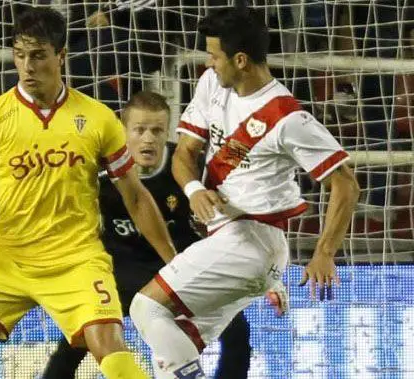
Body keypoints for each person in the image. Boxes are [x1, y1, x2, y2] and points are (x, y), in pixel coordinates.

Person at [0, 6, 177, 379]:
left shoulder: (98, 118)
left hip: (77, 257)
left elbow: (134, 196)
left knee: (109, 347)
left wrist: (173, 264)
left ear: (61, 56)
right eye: (20, 56)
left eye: (38, 55)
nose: (28, 66)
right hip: (9, 256)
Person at [128, 7, 360, 379]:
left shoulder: (288, 118)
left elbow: (346, 183)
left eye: (215, 56)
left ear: (240, 60)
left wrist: (325, 252)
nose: (209, 62)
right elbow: (185, 153)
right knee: (172, 348)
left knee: (146, 308)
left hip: (249, 242)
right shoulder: (210, 84)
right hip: (230, 242)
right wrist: (194, 189)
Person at [42, 91, 256, 379]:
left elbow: (233, 184)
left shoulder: (185, 167)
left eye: (157, 130)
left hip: (179, 270)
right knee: (77, 339)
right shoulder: (98, 174)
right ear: (123, 131)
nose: (148, 139)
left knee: (237, 329)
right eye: (139, 130)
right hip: (120, 274)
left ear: (167, 131)